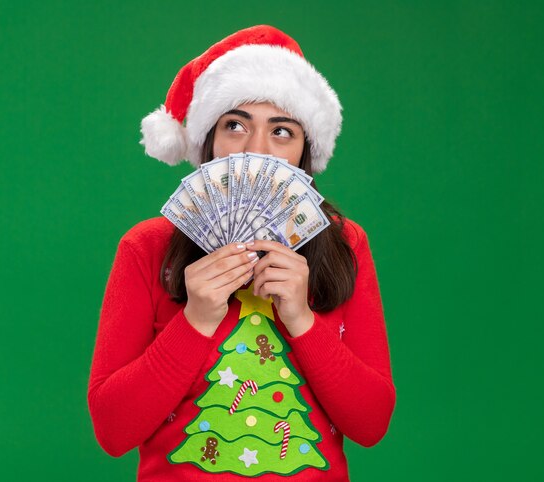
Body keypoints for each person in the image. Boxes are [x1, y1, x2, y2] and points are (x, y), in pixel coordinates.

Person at [87, 25, 396, 481]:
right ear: (208, 141)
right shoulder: (148, 248)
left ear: (305, 155)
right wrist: (195, 321)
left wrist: (302, 321)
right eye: (235, 125)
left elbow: (371, 425)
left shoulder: (345, 243)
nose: (256, 151)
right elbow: (113, 431)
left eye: (282, 131)